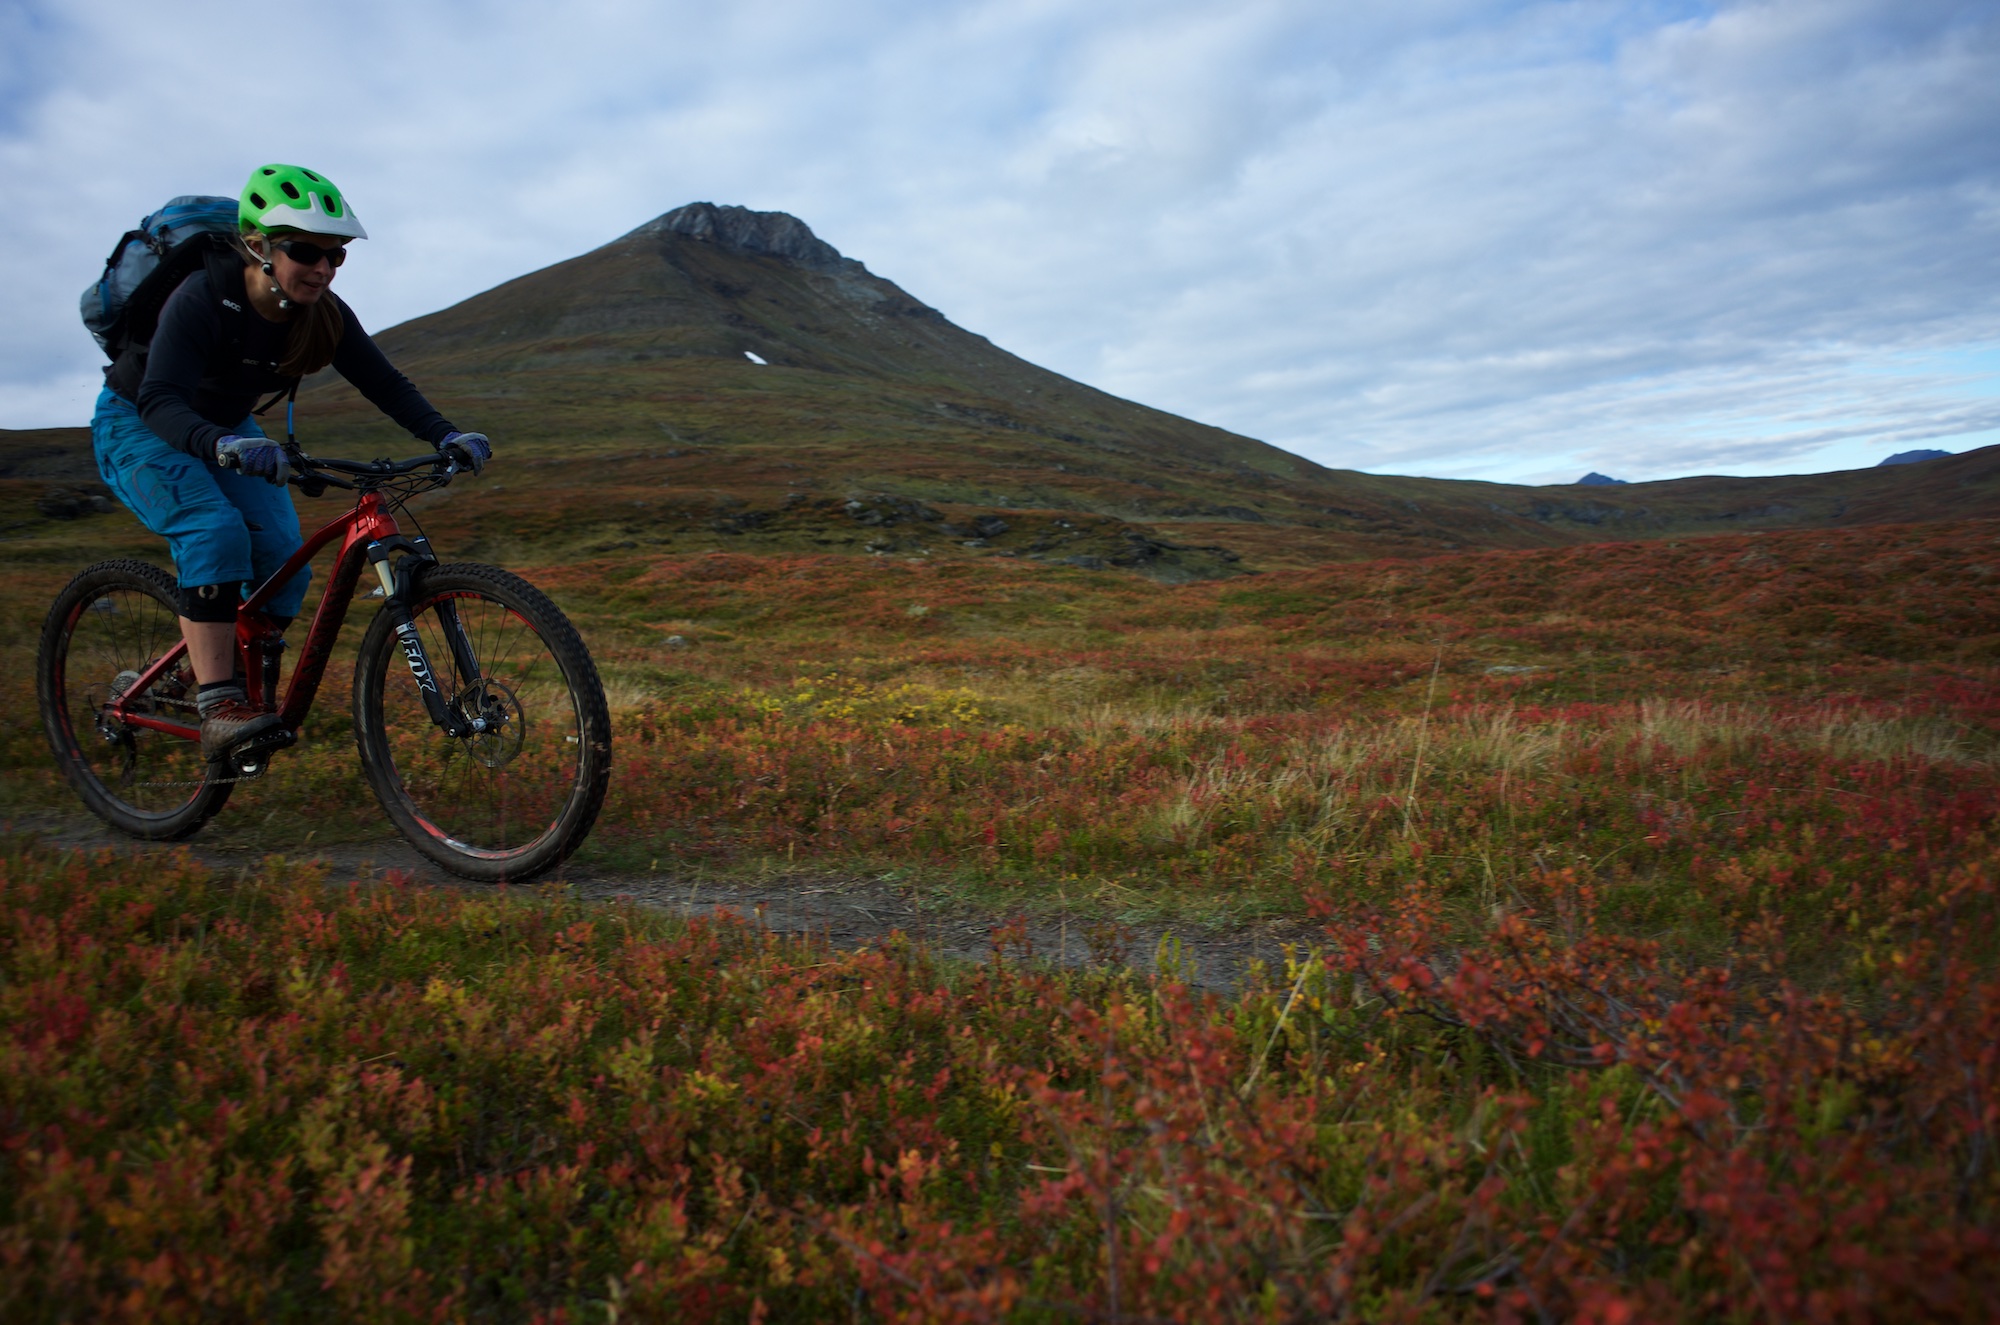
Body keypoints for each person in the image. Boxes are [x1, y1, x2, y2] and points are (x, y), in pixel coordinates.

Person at [89, 164, 491, 760]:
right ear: (258, 245)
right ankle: (220, 707)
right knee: (214, 531)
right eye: (306, 251)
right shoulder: (202, 297)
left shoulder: (323, 312)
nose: (323, 268)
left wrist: (447, 434)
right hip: (141, 422)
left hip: (229, 429)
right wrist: (223, 445)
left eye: (336, 255)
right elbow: (160, 399)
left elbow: (384, 383)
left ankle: (199, 677)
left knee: (284, 562)